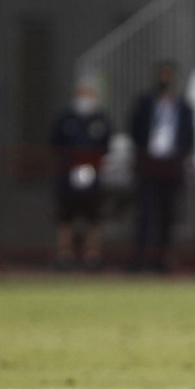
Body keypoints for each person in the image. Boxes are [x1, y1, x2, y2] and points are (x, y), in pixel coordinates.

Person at [128, 61, 195, 272]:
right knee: (145, 214)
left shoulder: (183, 107)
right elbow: (134, 129)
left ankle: (163, 260)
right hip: (148, 166)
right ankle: (140, 259)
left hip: (171, 167)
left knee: (168, 215)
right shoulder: (144, 103)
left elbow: (189, 136)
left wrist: (180, 156)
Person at [50, 79, 113, 270]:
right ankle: (64, 255)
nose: (85, 97)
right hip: (68, 173)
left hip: (92, 172)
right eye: (82, 93)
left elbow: (106, 145)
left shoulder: (100, 119)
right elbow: (54, 143)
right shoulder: (65, 118)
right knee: (65, 216)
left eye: (89, 93)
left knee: (93, 216)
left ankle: (92, 255)